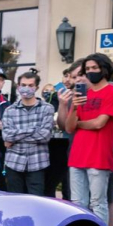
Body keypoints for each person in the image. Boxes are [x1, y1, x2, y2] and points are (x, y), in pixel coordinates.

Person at [59, 53, 113, 224]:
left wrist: (80, 123)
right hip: (77, 155)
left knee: (98, 203)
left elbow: (99, 123)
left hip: (99, 156)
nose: (91, 71)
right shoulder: (81, 94)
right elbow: (69, 127)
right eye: (87, 69)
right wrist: (76, 107)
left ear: (104, 69)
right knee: (77, 204)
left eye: (94, 68)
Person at [1, 70, 54, 196]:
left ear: (36, 87)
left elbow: (45, 136)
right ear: (18, 87)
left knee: (36, 201)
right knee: (15, 202)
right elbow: (7, 135)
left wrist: (16, 137)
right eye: (23, 85)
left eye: (30, 85)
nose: (26, 88)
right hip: (13, 163)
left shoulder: (47, 108)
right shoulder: (9, 110)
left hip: (37, 163)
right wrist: (34, 130)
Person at [45, 65, 75, 199]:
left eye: (72, 77)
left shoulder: (80, 95)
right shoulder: (55, 95)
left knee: (70, 184)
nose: (68, 79)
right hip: (58, 143)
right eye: (66, 76)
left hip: (73, 142)